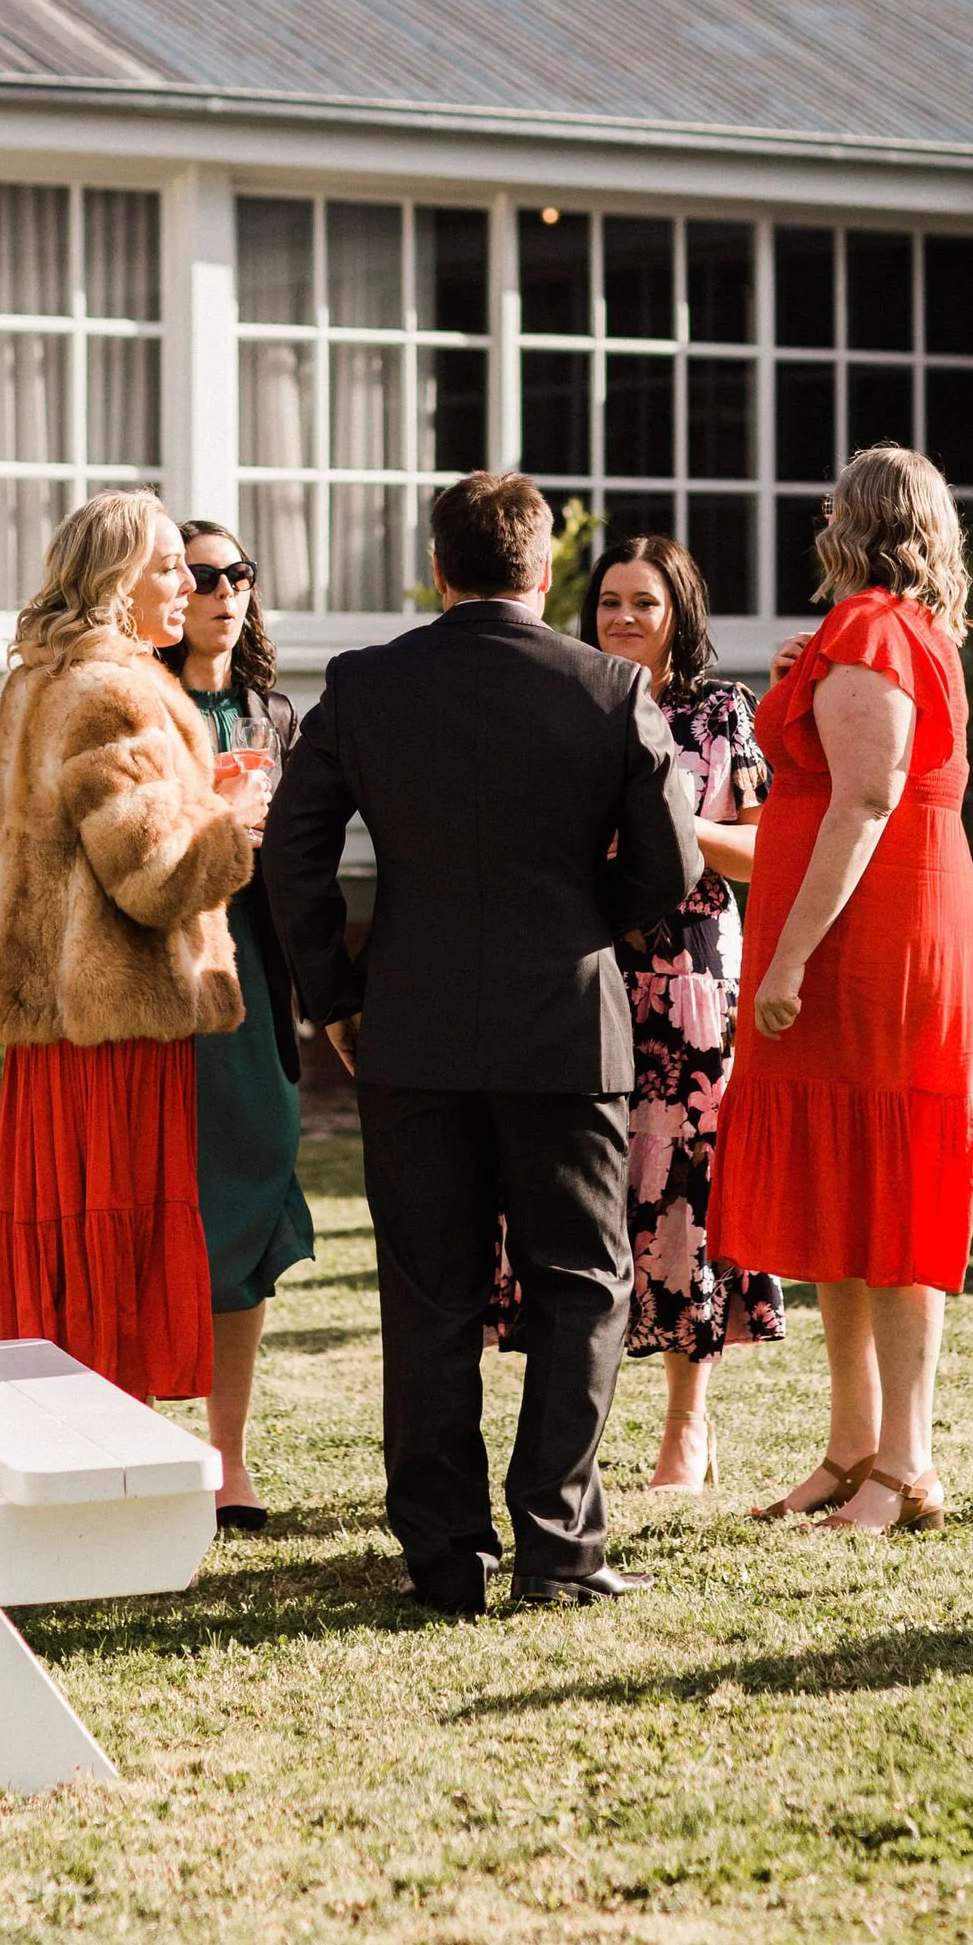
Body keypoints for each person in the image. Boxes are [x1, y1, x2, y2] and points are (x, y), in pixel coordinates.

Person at [263, 471, 701, 1617]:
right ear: (543, 569)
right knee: (580, 1287)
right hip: (565, 1027)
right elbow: (672, 867)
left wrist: (338, 993)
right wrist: (579, 928)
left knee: (428, 1298)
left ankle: (444, 1558)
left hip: (409, 1027)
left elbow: (290, 851)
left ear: (441, 566)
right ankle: (557, 1548)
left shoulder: (365, 685)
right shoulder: (608, 687)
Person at [710, 444, 973, 1536]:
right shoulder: (874, 633)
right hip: (858, 932)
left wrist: (783, 959)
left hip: (874, 941)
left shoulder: (872, 629)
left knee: (889, 1190)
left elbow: (867, 797)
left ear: (849, 521)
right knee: (845, 1192)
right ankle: (850, 1445)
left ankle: (906, 1464)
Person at [491, 534, 782, 1493]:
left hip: (689, 978)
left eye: (644, 603)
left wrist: (666, 828)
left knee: (682, 1191)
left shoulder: (719, 711)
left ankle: (688, 1428)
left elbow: (761, 851)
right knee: (591, 1194)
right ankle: (581, 1430)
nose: (623, 617)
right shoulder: (568, 698)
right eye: (610, 600)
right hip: (583, 966)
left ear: (679, 613)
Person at [0, 492, 254, 1405]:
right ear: (115, 579)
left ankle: (66, 1441)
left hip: (54, 1031)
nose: (189, 582)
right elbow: (154, 874)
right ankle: (102, 1448)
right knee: (110, 1249)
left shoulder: (35, 682)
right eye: (169, 565)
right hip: (113, 1028)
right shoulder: (113, 690)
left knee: (61, 1245)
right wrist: (234, 821)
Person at [158, 518, 316, 1533]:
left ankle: (228, 1455)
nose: (223, 590)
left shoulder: (273, 713)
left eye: (237, 574)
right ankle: (133, 1436)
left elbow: (303, 857)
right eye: (201, 575)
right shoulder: (142, 701)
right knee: (164, 1196)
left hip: (255, 975)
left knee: (253, 1188)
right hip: (165, 976)